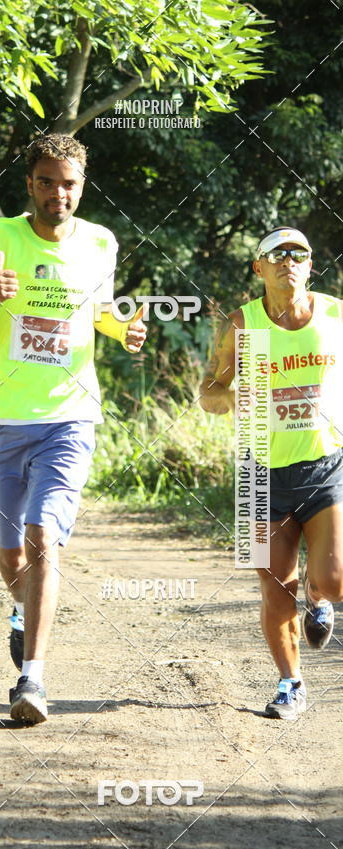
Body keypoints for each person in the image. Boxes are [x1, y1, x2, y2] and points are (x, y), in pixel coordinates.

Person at [0, 134, 146, 725]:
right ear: (30, 184)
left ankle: (32, 678)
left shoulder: (101, 243)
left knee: (42, 537)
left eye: (70, 183)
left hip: (70, 416)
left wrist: (122, 331)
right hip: (3, 420)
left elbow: (99, 311)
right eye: (48, 181)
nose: (60, 193)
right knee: (12, 561)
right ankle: (19, 608)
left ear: (82, 186)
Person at [200, 225, 343, 721]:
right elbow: (208, 394)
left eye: (298, 253)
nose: (288, 260)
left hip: (325, 465)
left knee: (335, 578)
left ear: (309, 264)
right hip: (259, 473)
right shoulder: (240, 325)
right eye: (275, 254)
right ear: (258, 267)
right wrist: (234, 397)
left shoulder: (335, 314)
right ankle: (290, 683)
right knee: (274, 587)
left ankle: (320, 597)